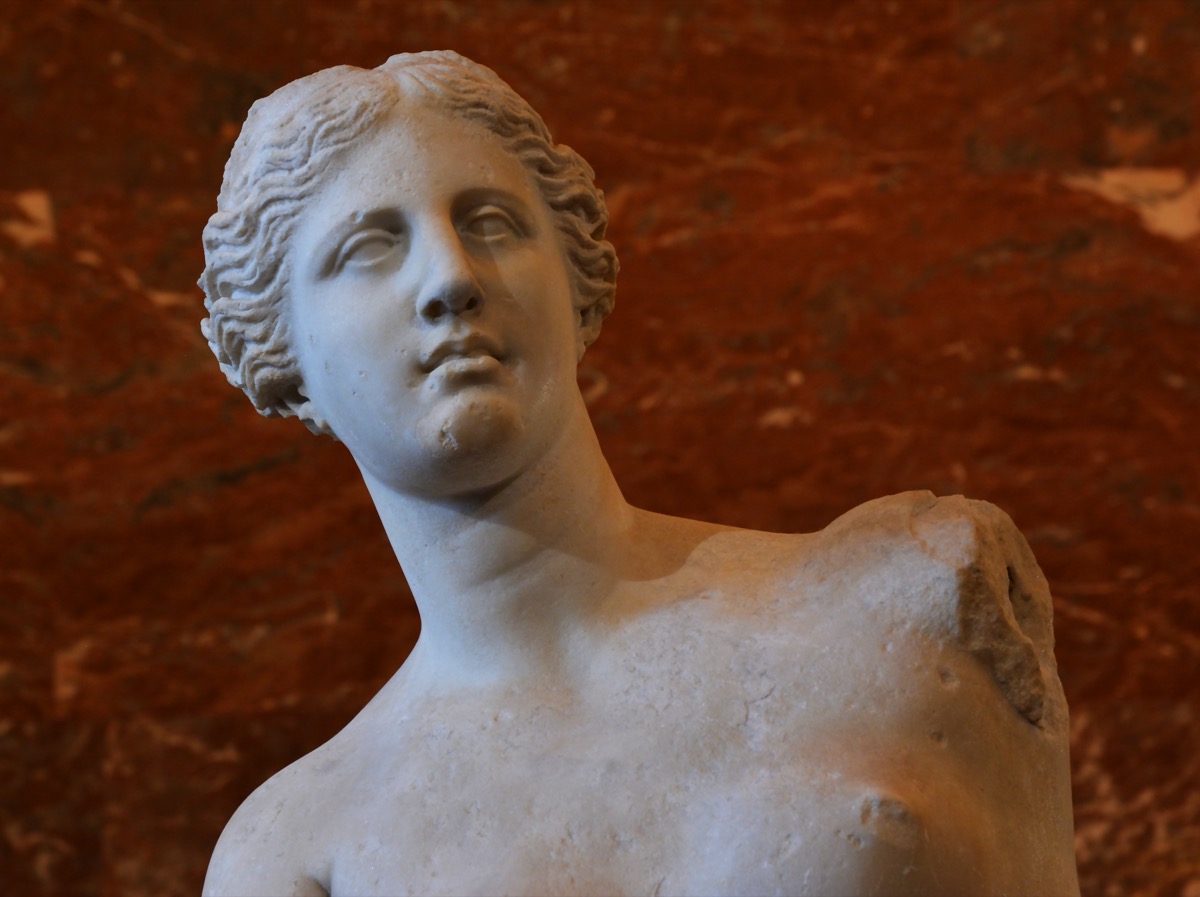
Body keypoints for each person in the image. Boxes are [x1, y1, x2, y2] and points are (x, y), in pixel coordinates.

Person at [199, 51, 1079, 896]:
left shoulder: (908, 597)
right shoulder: (300, 848)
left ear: (576, 278)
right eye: (367, 248)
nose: (451, 278)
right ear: (280, 358)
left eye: (491, 222)